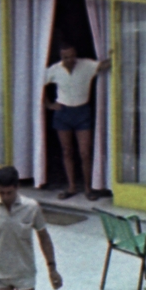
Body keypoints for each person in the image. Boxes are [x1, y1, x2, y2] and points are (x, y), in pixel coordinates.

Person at [43, 44, 110, 199]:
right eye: (66, 57)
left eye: (72, 56)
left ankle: (88, 188)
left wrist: (114, 53)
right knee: (67, 151)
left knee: (85, 152)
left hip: (82, 111)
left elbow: (103, 65)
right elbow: (39, 84)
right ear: (61, 57)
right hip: (63, 112)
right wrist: (49, 104)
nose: (70, 60)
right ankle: (71, 187)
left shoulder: (86, 65)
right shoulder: (55, 69)